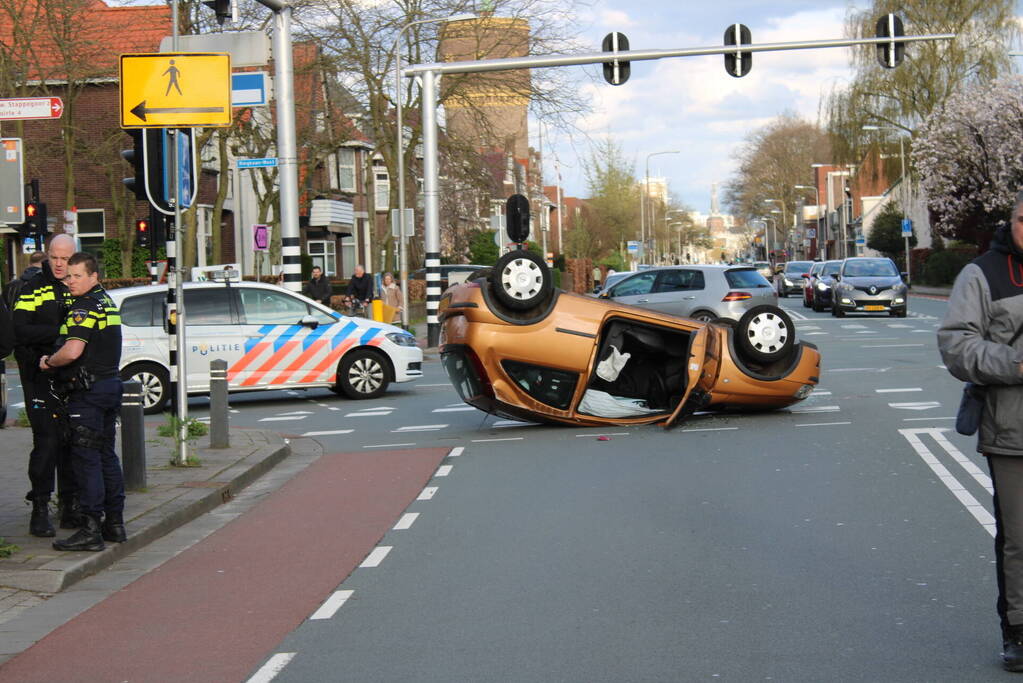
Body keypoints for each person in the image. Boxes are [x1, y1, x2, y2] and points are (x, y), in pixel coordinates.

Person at [937, 191, 1023, 672]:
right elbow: (956, 344)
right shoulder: (983, 274)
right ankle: (1019, 630)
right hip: (1012, 429)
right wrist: (1017, 364)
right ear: (1011, 222)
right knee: (1020, 538)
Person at [40, 252, 126, 552]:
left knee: (86, 459)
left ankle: (90, 529)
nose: (70, 281)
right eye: (68, 276)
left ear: (94, 276)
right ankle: (114, 523)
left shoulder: (84, 306)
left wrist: (49, 362)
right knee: (106, 456)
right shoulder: (106, 302)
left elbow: (73, 350)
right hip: (109, 386)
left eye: (77, 276)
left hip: (88, 393)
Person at [11, 234, 78, 537]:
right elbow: (20, 331)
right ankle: (40, 507)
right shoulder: (33, 288)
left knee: (73, 439)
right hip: (38, 375)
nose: (59, 264)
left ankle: (69, 505)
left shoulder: (80, 285)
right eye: (55, 257)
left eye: (65, 258)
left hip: (72, 375)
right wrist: (61, 333)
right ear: (48, 255)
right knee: (47, 440)